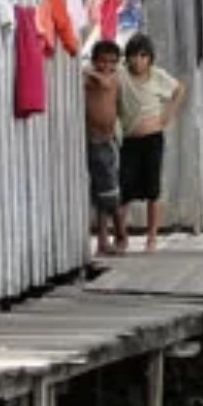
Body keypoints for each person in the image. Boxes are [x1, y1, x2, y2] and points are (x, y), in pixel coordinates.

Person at [118, 35, 184, 252]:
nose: (138, 61)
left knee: (152, 188)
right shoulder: (122, 75)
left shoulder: (157, 76)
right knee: (123, 189)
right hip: (129, 139)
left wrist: (168, 114)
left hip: (152, 138)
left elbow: (179, 89)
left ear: (150, 58)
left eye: (143, 56)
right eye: (134, 56)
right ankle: (121, 236)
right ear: (127, 58)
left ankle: (152, 237)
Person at [84, 40, 126, 256]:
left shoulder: (114, 80)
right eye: (102, 62)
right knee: (106, 191)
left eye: (112, 62)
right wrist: (94, 74)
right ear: (94, 61)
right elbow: (85, 76)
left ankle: (110, 238)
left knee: (107, 192)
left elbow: (114, 97)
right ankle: (114, 234)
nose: (107, 66)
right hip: (94, 140)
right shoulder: (90, 80)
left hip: (109, 140)